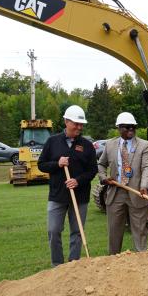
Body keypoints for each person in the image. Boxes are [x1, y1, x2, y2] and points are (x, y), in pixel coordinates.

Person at [38, 105, 98, 267]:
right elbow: (41, 165)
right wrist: (57, 163)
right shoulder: (52, 142)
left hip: (80, 197)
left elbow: (93, 170)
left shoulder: (87, 145)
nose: (79, 127)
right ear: (66, 121)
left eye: (81, 124)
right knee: (54, 230)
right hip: (57, 196)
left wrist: (78, 180)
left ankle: (73, 265)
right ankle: (57, 266)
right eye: (76, 124)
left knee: (77, 232)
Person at [98, 112, 148, 254]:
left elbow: (147, 168)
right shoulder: (110, 145)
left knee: (140, 231)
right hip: (116, 193)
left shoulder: (144, 145)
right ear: (119, 128)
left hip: (137, 193)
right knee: (114, 232)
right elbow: (101, 164)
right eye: (127, 127)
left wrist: (144, 186)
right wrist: (104, 178)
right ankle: (113, 262)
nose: (131, 130)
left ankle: (142, 261)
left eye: (133, 127)